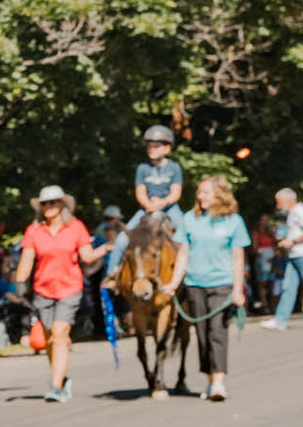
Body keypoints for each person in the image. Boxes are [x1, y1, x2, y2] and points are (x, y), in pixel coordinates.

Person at [14, 186, 111, 403]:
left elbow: (86, 256)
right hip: (43, 289)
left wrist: (105, 249)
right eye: (44, 204)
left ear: (62, 205)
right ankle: (62, 378)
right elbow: (27, 259)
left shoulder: (75, 227)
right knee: (50, 339)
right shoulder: (34, 231)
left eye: (53, 203)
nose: (48, 207)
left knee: (59, 333)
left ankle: (56, 386)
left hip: (69, 287)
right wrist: (20, 283)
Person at [168, 176, 250, 401]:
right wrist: (174, 284)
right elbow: (183, 254)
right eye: (199, 192)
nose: (200, 196)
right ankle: (209, 380)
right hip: (195, 283)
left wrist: (237, 290)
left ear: (220, 194)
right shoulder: (189, 219)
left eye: (206, 192)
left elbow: (237, 259)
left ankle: (219, 383)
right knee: (202, 334)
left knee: (217, 332)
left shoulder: (234, 221)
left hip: (222, 284)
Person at [105, 124, 186, 276]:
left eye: (156, 146)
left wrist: (162, 203)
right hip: (147, 208)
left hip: (169, 207)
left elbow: (176, 193)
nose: (151, 149)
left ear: (167, 148)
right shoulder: (142, 168)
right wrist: (148, 205)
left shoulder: (174, 168)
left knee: (186, 235)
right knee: (123, 238)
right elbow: (140, 192)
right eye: (149, 146)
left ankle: (189, 274)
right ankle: (112, 275)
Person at [262, 187, 303, 330]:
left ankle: (280, 319)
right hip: (294, 256)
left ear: (289, 200)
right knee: (288, 287)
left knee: (289, 287)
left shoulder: (299, 211)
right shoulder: (293, 213)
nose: (278, 206)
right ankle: (280, 320)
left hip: (301, 255)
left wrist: (292, 242)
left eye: (279, 203)